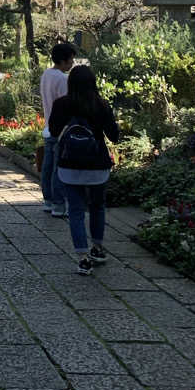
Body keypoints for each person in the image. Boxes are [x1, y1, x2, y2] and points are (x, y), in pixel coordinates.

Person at [49, 65, 120, 276]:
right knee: (97, 207)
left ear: (70, 83)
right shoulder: (101, 104)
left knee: (76, 211)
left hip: (69, 165)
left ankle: (82, 259)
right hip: (97, 166)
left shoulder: (62, 104)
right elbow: (114, 136)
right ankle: (97, 248)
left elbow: (53, 131)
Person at [39, 42, 77, 217]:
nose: (72, 64)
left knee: (47, 167)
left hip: (48, 126)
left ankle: (47, 200)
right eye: (70, 60)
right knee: (57, 168)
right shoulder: (62, 79)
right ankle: (58, 204)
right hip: (60, 129)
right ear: (63, 61)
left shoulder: (46, 74)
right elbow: (66, 106)